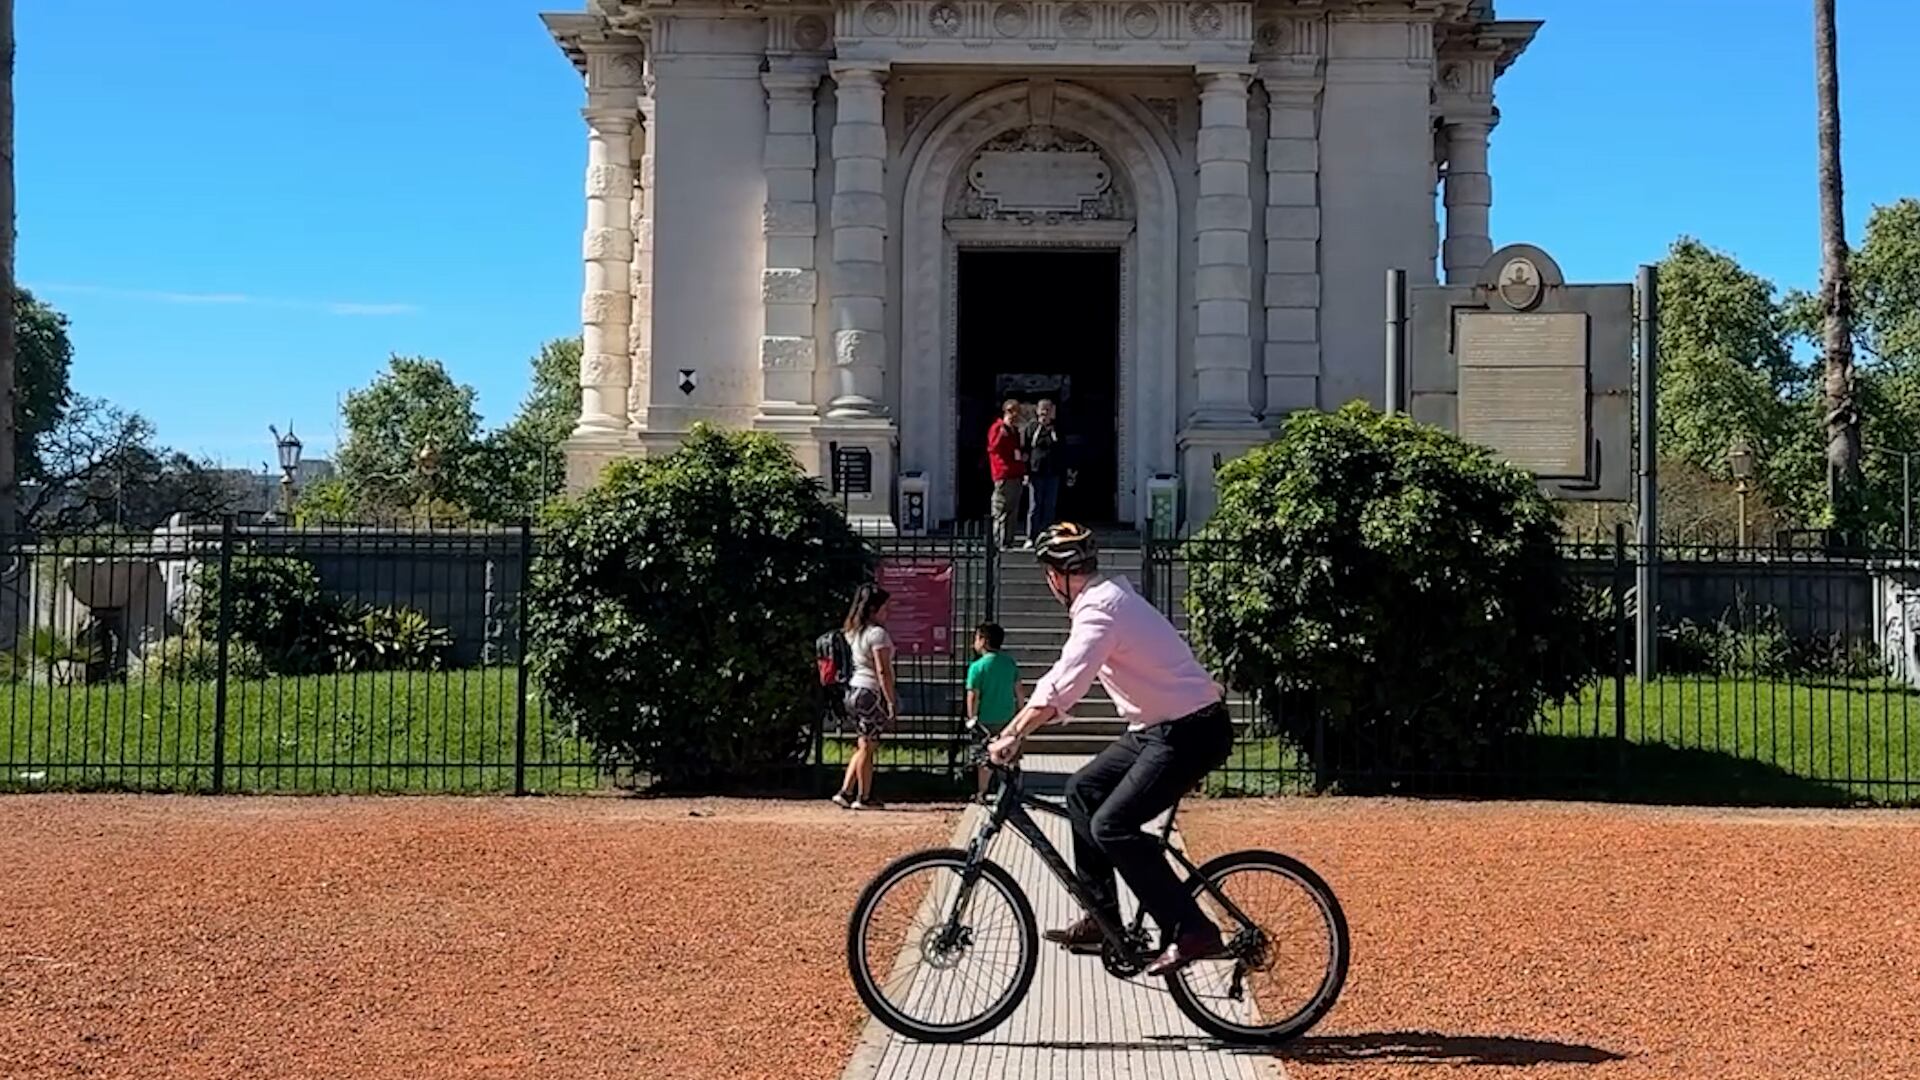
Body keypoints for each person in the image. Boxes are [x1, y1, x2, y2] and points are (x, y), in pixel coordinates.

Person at [987, 523, 1234, 978]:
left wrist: (1014, 732)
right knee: (1082, 790)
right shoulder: (1105, 601)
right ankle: (1103, 919)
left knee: (1113, 825)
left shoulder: (1102, 610)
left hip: (1190, 730)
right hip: (1159, 727)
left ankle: (1192, 928)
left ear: (1054, 576)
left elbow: (1066, 678)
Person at [832, 583, 896, 810]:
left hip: (853, 690)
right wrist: (890, 700)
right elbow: (883, 670)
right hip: (870, 692)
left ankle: (846, 791)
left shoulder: (853, 632)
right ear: (873, 609)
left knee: (863, 744)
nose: (887, 613)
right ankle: (864, 796)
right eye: (884, 608)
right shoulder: (877, 634)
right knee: (869, 747)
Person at [964, 621, 1023, 804]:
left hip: (985, 720)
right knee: (1011, 756)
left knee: (985, 757)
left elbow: (973, 695)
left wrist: (972, 717)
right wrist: (1020, 712)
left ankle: (982, 793)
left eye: (976, 637)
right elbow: (1019, 691)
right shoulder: (1009, 663)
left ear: (983, 641)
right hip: (1008, 719)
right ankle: (1013, 791)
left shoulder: (977, 667)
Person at [1022, 398, 1075, 543]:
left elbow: (1062, 448)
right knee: (1034, 505)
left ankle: (1047, 535)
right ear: (1038, 411)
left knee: (1050, 505)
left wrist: (1067, 471)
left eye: (1049, 411)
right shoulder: (1031, 428)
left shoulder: (1058, 429)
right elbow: (1026, 450)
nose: (1046, 414)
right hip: (1036, 471)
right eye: (1043, 411)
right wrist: (1025, 473)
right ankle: (1031, 536)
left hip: (1053, 472)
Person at [987, 398, 1027, 550]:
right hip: (1003, 474)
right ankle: (998, 540)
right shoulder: (998, 428)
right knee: (1001, 508)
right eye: (1011, 411)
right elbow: (993, 448)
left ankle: (1008, 539)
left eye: (1017, 411)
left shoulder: (1014, 431)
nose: (1014, 415)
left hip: (1016, 474)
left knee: (1013, 509)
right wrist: (1002, 434)